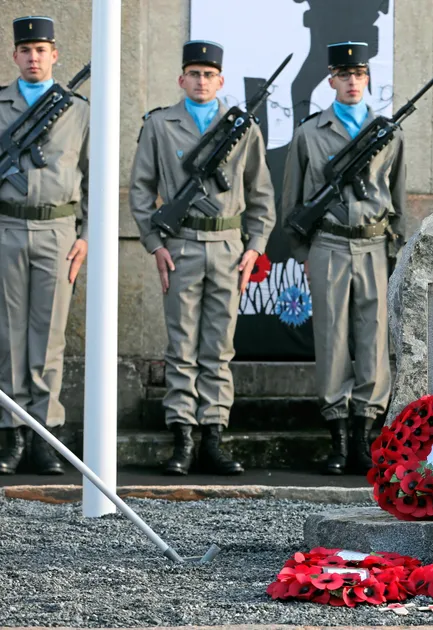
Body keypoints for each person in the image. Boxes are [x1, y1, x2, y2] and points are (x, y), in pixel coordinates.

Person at [129, 40, 275, 476]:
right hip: (182, 247)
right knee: (182, 346)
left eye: (209, 75)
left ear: (221, 81)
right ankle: (182, 437)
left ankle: (213, 435)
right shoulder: (160, 125)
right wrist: (155, 244)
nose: (201, 81)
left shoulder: (244, 128)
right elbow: (140, 191)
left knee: (219, 347)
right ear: (181, 79)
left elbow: (262, 194)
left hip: (229, 246)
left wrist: (255, 247)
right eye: (193, 73)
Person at [281, 42, 404, 475]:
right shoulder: (309, 133)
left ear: (367, 79)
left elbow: (398, 200)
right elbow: (292, 202)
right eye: (344, 75)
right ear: (331, 80)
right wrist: (304, 253)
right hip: (329, 244)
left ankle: (365, 438)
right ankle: (337, 437)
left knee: (373, 339)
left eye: (360, 74)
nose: (353, 82)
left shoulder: (388, 133)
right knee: (331, 340)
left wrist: (396, 250)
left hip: (373, 244)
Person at [0, 16, 89, 475]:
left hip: (59, 232)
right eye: (26, 50)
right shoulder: (0, 105)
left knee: (50, 337)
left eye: (42, 49)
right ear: (14, 55)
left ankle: (45, 436)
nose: (34, 57)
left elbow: (94, 178)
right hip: (7, 229)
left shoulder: (79, 109)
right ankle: (11, 435)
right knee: (9, 337)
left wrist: (87, 236)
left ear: (55, 54)